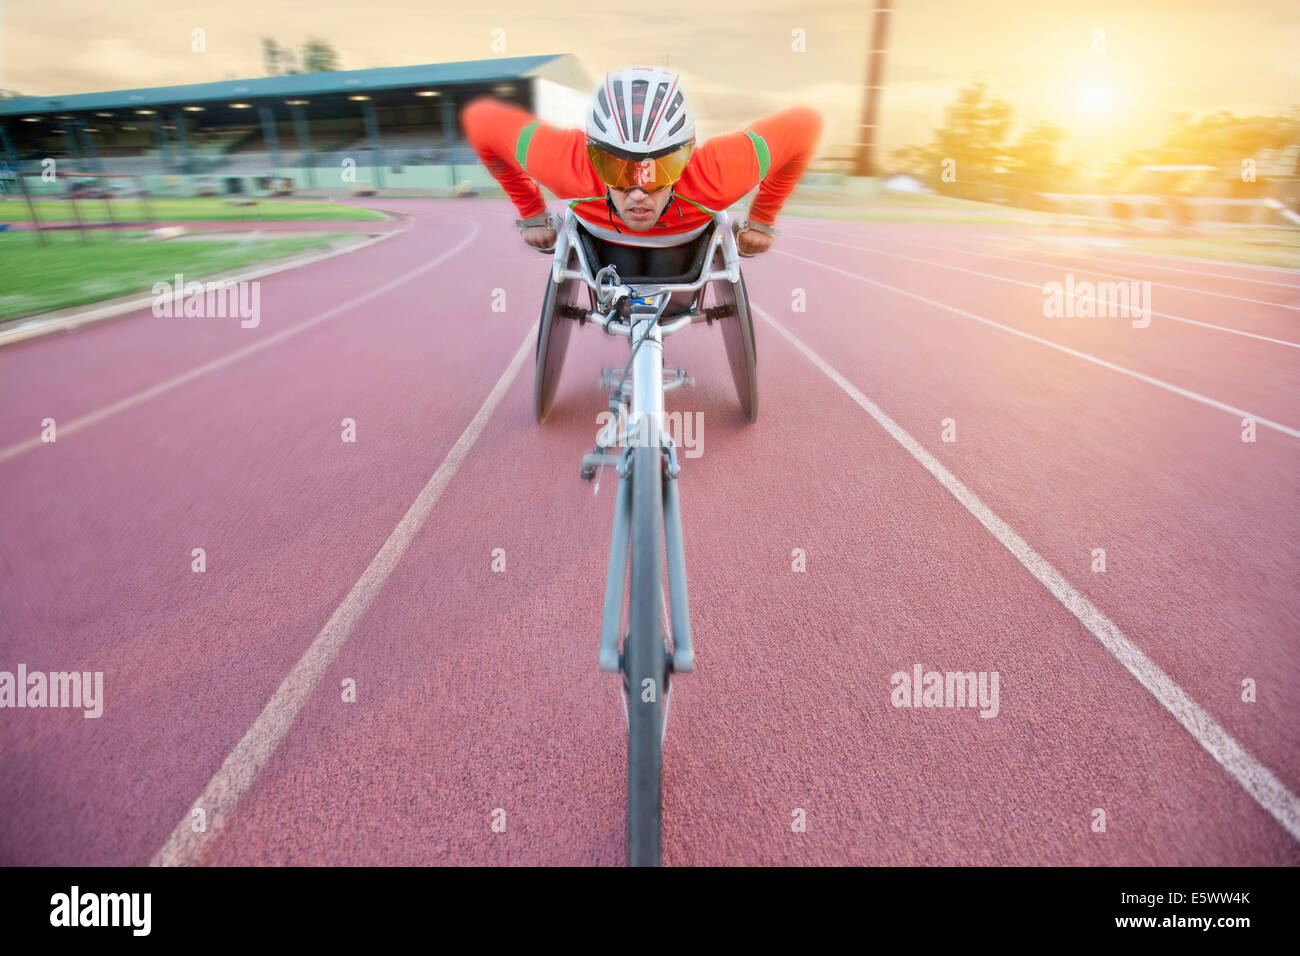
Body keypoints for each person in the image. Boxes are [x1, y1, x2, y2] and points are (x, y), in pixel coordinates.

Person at [460, 66, 822, 269]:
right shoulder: (567, 162)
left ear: (685, 157)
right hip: (602, 242)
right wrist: (531, 213)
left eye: (658, 171)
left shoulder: (716, 173)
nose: (637, 194)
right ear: (593, 156)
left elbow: (807, 124)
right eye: (616, 168)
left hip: (682, 247)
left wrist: (763, 217)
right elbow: (480, 121)